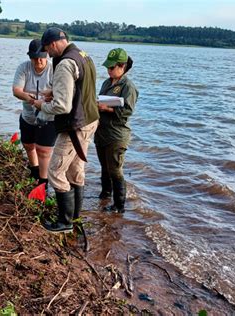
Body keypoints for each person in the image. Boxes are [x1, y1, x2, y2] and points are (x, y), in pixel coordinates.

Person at [33, 27, 99, 233]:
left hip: (74, 126)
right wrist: (52, 91)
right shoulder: (84, 56)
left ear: (53, 44)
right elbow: (80, 88)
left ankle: (64, 222)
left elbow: (63, 106)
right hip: (90, 120)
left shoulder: (65, 64)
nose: (47, 54)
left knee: (55, 171)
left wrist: (41, 105)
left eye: (46, 49)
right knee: (75, 169)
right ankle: (76, 217)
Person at [95, 48, 139, 213]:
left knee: (115, 169)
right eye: (108, 67)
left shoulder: (128, 87)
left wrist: (106, 108)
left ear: (122, 66)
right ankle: (105, 195)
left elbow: (127, 111)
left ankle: (119, 206)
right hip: (102, 132)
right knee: (104, 167)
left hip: (117, 135)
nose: (109, 70)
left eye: (112, 67)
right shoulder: (107, 83)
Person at [12, 39, 56, 186]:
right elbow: (16, 90)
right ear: (30, 57)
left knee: (43, 151)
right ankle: (34, 172)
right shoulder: (23, 68)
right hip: (28, 115)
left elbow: (63, 93)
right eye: (34, 57)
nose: (38, 61)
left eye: (41, 57)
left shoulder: (54, 70)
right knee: (28, 145)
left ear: (47, 55)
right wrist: (29, 98)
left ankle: (43, 183)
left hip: (48, 117)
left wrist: (49, 98)